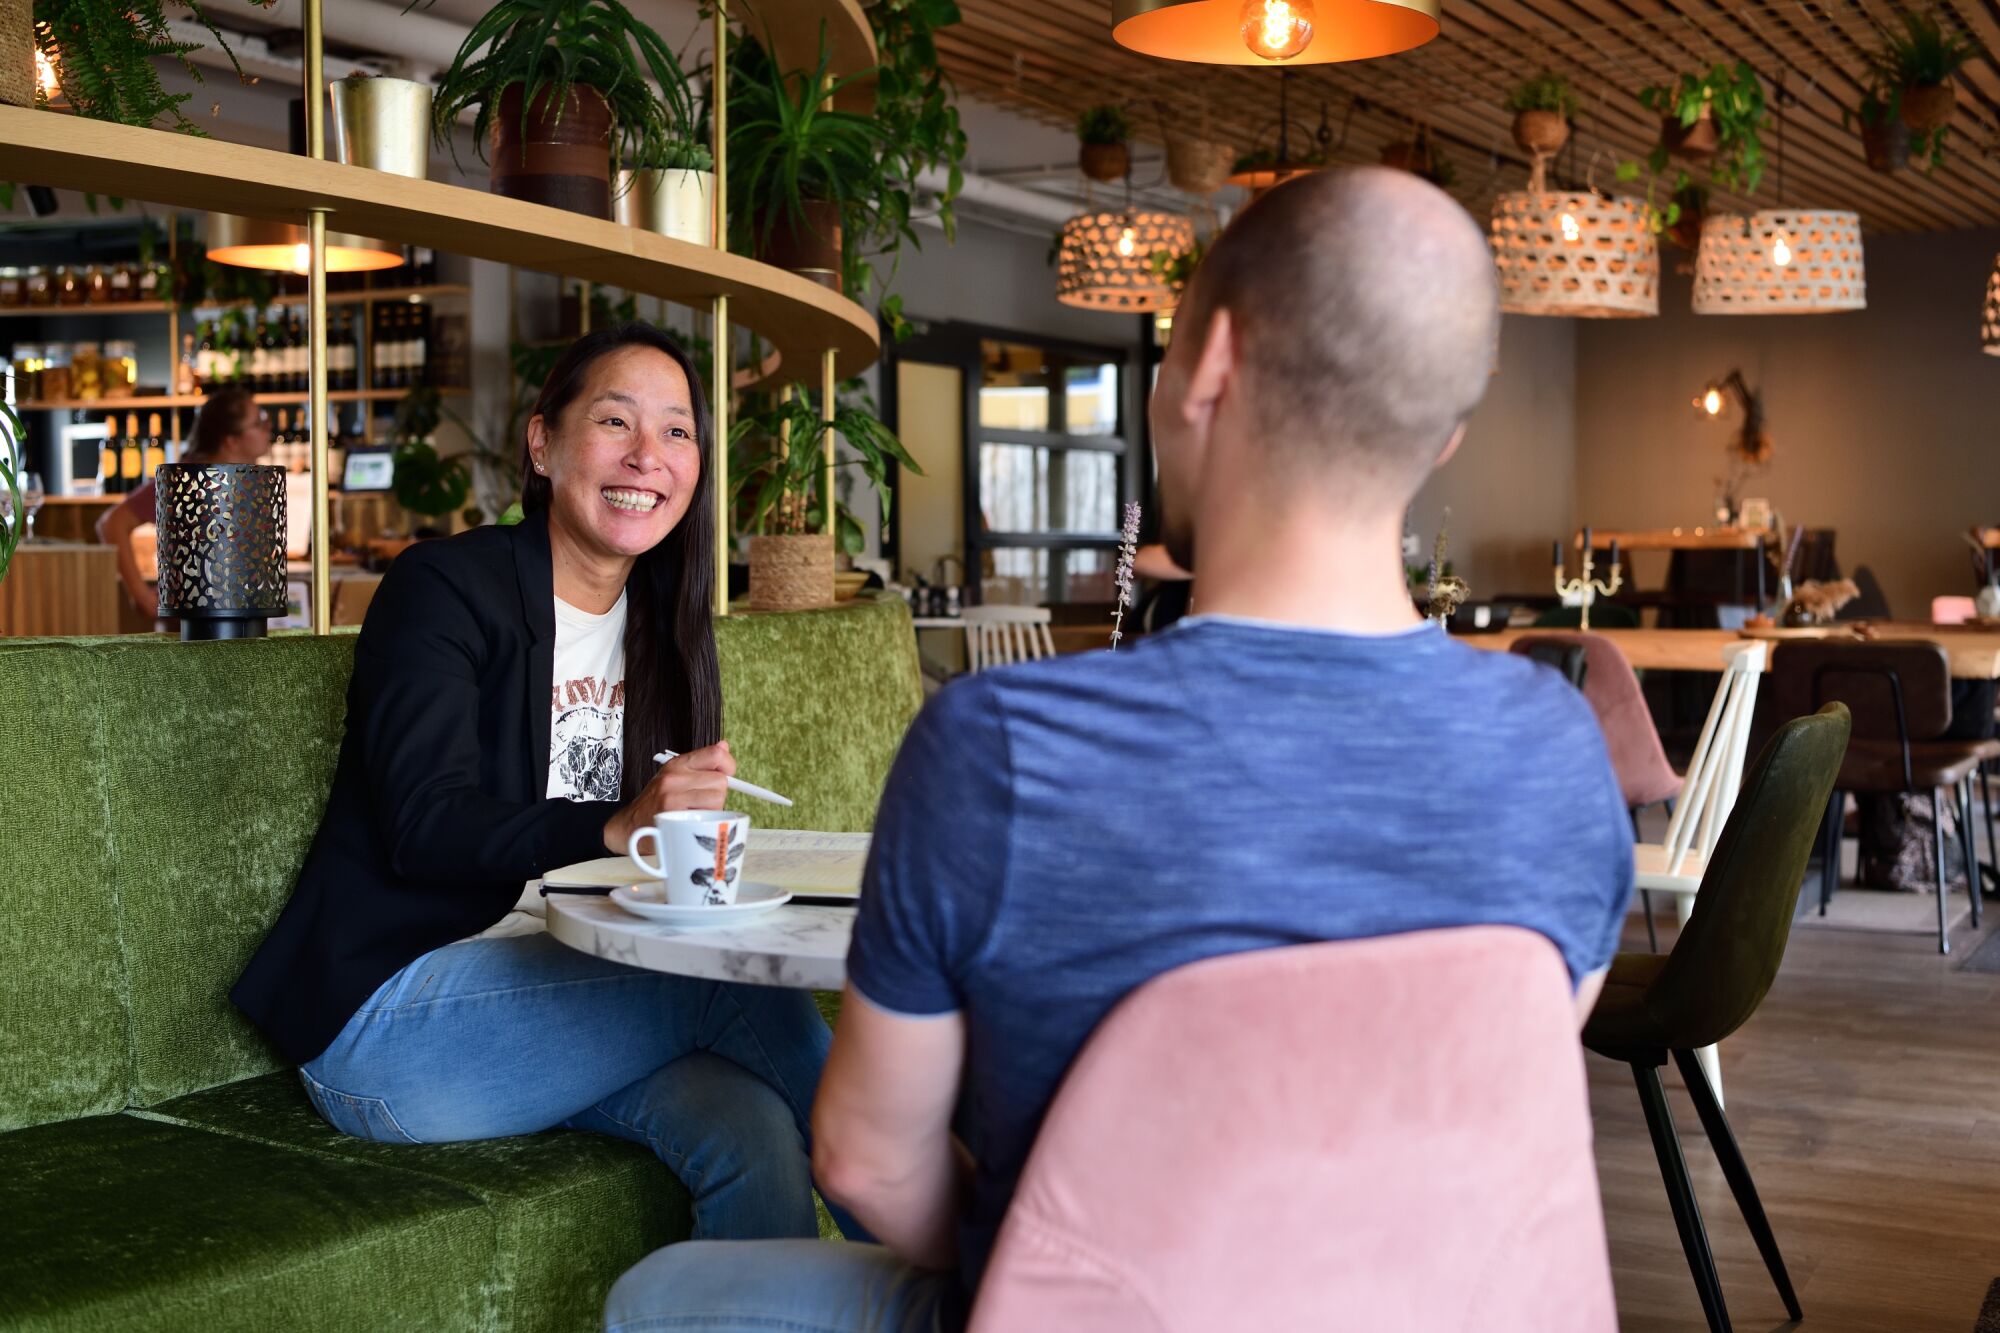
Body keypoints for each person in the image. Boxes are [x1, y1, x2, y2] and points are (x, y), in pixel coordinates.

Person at [603, 169, 1636, 1330]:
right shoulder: (1557, 746)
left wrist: (1062, 1270)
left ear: (1207, 367)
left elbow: (861, 1160)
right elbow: (1481, 1080)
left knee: (663, 1293)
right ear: (1446, 433)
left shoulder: (1001, 750)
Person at [232, 323, 837, 1241]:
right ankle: (962, 1245)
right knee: (729, 981)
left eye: (678, 432)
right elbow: (424, 824)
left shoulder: (667, 628)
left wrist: (672, 842)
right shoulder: (442, 588)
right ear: (544, 442)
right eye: (616, 421)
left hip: (566, 984)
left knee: (752, 1131)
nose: (649, 455)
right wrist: (615, 824)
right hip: (390, 1016)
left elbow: (652, 866)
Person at [97, 385, 271, 619]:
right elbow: (111, 524)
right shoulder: (186, 479)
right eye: (258, 423)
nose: (267, 429)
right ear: (231, 440)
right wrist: (141, 596)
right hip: (191, 627)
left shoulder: (250, 479)